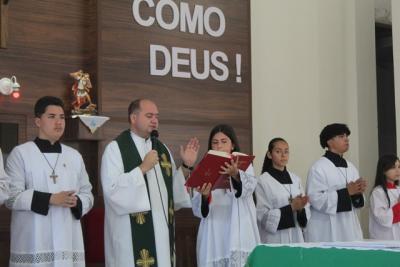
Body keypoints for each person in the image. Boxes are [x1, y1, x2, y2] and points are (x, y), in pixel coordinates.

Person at [101, 99, 199, 267]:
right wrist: (142, 169)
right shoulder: (115, 149)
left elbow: (172, 193)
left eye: (156, 116)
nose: (155, 120)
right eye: (149, 116)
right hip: (129, 237)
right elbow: (112, 192)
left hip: (161, 233)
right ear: (133, 118)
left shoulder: (162, 149)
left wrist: (186, 166)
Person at [5, 96, 94, 267]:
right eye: (52, 117)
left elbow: (87, 193)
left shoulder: (74, 156)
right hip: (34, 240)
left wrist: (77, 201)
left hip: (68, 239)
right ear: (38, 121)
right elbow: (11, 197)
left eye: (62, 117)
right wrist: (50, 199)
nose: (59, 122)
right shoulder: (21, 154)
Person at [192, 124, 260, 267]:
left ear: (232, 144)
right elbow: (199, 210)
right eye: (215, 143)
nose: (219, 146)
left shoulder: (243, 162)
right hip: (214, 226)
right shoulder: (204, 166)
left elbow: (249, 189)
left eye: (224, 142)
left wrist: (235, 175)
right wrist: (204, 196)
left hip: (239, 224)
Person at [305, 123, 366, 242]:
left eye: (346, 136)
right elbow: (315, 199)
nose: (346, 139)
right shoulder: (318, 167)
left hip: (349, 227)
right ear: (329, 141)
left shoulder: (351, 167)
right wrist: (347, 192)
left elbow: (357, 202)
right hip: (327, 228)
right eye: (341, 136)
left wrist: (358, 192)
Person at [255, 137, 309, 243]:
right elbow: (263, 216)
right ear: (269, 154)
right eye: (278, 151)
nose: (283, 155)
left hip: (296, 236)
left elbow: (305, 212)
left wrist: (301, 208)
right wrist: (291, 207)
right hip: (275, 238)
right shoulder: (262, 181)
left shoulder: (296, 179)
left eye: (286, 151)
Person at [369, 154, 400, 240]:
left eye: (399, 167)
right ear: (383, 170)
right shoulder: (378, 192)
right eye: (393, 167)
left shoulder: (398, 189)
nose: (397, 171)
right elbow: (382, 219)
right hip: (384, 239)